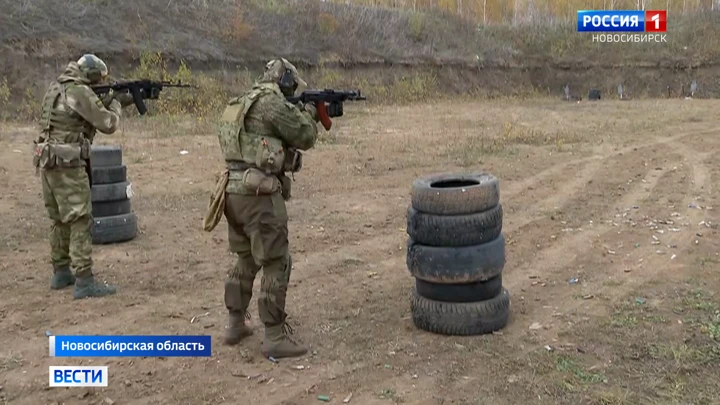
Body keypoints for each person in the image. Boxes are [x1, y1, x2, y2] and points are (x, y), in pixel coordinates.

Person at [210, 58, 319, 359]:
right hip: (259, 195)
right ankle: (274, 335)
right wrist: (310, 112)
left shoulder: (241, 101)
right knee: (275, 261)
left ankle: (235, 323)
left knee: (245, 257)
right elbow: (305, 135)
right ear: (284, 81)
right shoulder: (271, 103)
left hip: (232, 193)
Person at [34, 54, 134, 299]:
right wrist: (117, 103)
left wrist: (108, 99)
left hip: (48, 161)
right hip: (68, 164)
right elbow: (108, 123)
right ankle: (84, 280)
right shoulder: (79, 91)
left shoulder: (56, 87)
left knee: (59, 218)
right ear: (90, 76)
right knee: (80, 218)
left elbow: (74, 116)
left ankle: (60, 271)